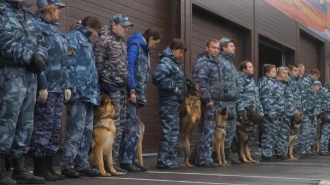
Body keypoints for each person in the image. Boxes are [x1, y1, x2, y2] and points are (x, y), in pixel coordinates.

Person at [0, 0, 47, 184]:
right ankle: (1, 169)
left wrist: (41, 56)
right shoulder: (2, 11)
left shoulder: (28, 15)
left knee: (26, 121)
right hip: (9, 74)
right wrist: (31, 57)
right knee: (6, 119)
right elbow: (4, 41)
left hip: (30, 75)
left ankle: (20, 168)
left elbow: (41, 42)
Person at [30, 0, 69, 181]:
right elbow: (38, 59)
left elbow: (63, 61)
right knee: (42, 128)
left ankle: (49, 167)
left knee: (54, 128)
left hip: (58, 87)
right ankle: (39, 169)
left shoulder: (54, 29)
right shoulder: (37, 26)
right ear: (48, 7)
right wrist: (42, 84)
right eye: (57, 8)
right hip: (47, 86)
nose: (60, 11)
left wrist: (67, 84)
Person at [60, 16, 102, 178]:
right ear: (90, 27)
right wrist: (68, 86)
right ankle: (67, 164)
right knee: (75, 132)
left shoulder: (86, 42)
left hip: (89, 95)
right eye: (96, 32)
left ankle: (82, 163)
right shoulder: (73, 38)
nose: (96, 36)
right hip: (78, 94)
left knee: (86, 132)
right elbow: (68, 64)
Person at [93, 14, 132, 174]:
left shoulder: (121, 42)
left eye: (127, 26)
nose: (126, 29)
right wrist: (105, 84)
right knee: (110, 126)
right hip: (111, 88)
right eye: (123, 26)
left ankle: (112, 162)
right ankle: (101, 163)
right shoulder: (104, 39)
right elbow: (97, 62)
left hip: (121, 88)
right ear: (114, 25)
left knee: (119, 126)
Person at [120, 28, 161, 172]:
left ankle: (133, 159)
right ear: (150, 38)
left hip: (138, 95)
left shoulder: (143, 50)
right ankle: (125, 160)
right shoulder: (135, 46)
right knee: (130, 128)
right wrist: (132, 89)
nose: (155, 46)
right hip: (132, 94)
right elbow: (129, 67)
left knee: (136, 130)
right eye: (155, 43)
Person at [153, 38, 186, 170]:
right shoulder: (166, 62)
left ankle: (170, 159)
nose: (181, 55)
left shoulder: (175, 63)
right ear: (173, 49)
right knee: (169, 131)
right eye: (180, 51)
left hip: (175, 102)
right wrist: (173, 86)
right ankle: (163, 160)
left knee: (174, 131)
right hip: (168, 101)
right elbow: (157, 77)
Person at [192, 39, 222, 167]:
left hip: (214, 102)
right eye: (213, 47)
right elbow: (200, 82)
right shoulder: (203, 62)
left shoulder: (215, 62)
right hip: (207, 102)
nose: (216, 50)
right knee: (207, 130)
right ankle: (203, 159)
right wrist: (207, 99)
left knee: (210, 130)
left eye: (218, 48)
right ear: (207, 48)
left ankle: (206, 157)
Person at [217, 38, 240, 164]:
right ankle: (218, 154)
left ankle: (226, 153)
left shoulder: (230, 64)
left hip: (232, 101)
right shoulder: (220, 62)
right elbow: (218, 81)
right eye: (231, 46)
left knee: (231, 129)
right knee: (222, 129)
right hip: (223, 101)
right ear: (224, 48)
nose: (234, 48)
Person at [236, 60, 264, 153]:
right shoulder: (240, 79)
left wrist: (260, 112)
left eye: (252, 66)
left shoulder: (251, 80)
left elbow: (256, 97)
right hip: (246, 113)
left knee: (251, 135)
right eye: (250, 67)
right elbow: (238, 95)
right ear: (244, 69)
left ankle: (249, 153)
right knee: (243, 136)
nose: (253, 69)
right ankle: (241, 154)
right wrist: (241, 111)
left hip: (253, 112)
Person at [295, 68, 320, 157]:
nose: (317, 80)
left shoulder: (310, 83)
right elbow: (303, 96)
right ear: (315, 75)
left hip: (309, 111)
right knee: (303, 132)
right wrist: (304, 109)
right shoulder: (306, 82)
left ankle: (306, 150)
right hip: (305, 110)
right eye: (317, 78)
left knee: (308, 132)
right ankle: (302, 150)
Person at [273, 67, 296, 161]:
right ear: (278, 74)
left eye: (287, 73)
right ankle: (277, 153)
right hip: (279, 113)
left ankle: (282, 153)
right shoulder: (276, 84)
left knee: (285, 135)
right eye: (283, 73)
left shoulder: (287, 84)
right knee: (277, 134)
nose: (286, 75)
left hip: (287, 114)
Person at [258, 64, 277, 162]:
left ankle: (270, 152)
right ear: (267, 73)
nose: (275, 73)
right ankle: (266, 154)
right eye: (273, 71)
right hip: (269, 112)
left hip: (274, 112)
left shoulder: (272, 82)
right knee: (268, 133)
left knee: (272, 133)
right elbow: (266, 99)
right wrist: (271, 112)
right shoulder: (266, 82)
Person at [287, 64, 306, 158]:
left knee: (297, 132)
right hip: (293, 110)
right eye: (295, 70)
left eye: (298, 71)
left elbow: (301, 95)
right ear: (289, 71)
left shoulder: (297, 81)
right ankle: (288, 151)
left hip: (299, 109)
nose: (298, 72)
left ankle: (294, 150)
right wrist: (294, 108)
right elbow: (290, 96)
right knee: (291, 132)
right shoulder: (289, 81)